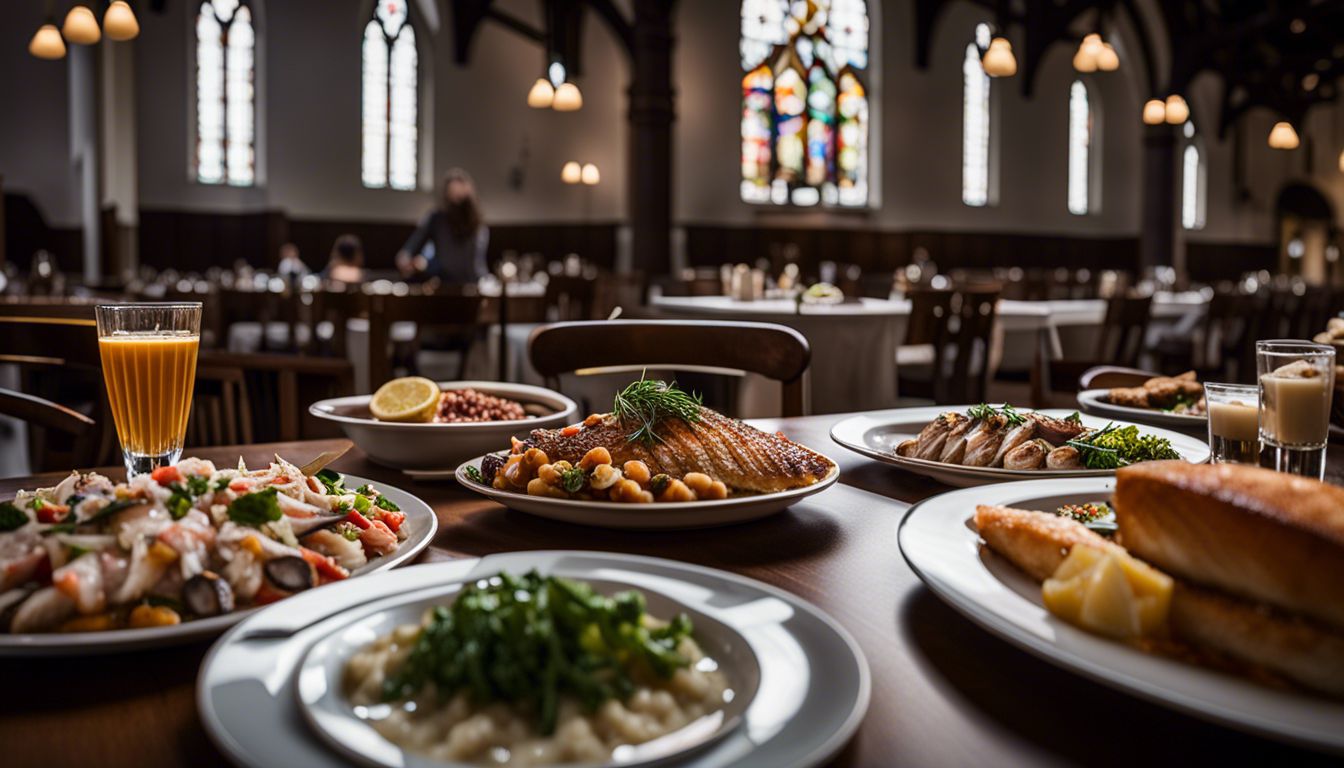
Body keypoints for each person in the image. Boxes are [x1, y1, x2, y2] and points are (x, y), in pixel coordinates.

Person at [396, 168, 490, 283]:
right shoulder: (437, 219)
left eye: (460, 195)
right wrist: (405, 258)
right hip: (445, 284)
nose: (457, 198)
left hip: (473, 282)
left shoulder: (476, 222)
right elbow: (413, 245)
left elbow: (470, 260)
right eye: (453, 194)